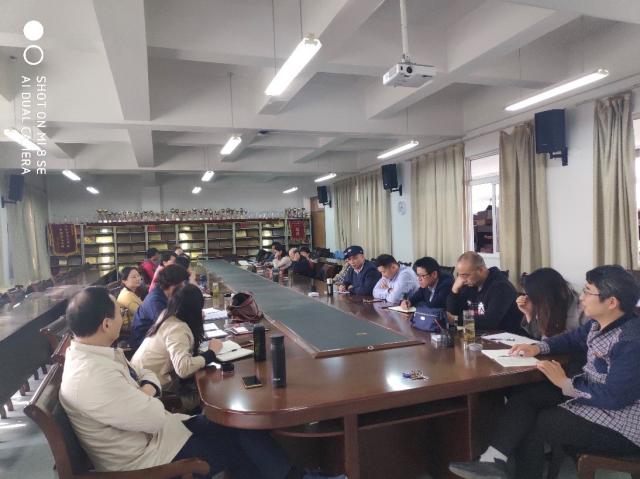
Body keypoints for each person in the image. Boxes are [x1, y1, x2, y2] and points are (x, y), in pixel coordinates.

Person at [59, 286, 296, 478]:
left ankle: (292, 474)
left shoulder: (94, 355)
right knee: (241, 446)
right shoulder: (91, 376)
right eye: (119, 312)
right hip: (149, 460)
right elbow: (153, 418)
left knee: (238, 424)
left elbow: (144, 372)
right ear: (106, 324)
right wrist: (147, 393)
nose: (123, 316)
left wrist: (145, 391)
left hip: (162, 435)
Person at [449, 265, 640, 479]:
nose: (582, 297)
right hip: (591, 395)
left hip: (621, 422)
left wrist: (565, 383)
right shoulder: (598, 324)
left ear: (612, 302)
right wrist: (539, 347)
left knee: (536, 423)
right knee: (526, 397)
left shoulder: (630, 340)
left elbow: (614, 397)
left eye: (588, 292)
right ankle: (491, 460)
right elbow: (571, 339)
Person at [132, 284, 222, 413]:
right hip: (157, 390)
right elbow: (183, 369)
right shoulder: (177, 328)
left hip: (143, 381)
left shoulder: (167, 315)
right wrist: (210, 354)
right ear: (194, 309)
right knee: (211, 393)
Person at [446, 251, 522, 333]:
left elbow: (490, 322)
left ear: (481, 270)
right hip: (479, 335)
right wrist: (454, 291)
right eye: (459, 275)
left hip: (507, 336)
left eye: (465, 275)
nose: (462, 279)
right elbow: (453, 311)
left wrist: (456, 320)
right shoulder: (470, 284)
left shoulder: (501, 287)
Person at [517, 267, 586, 340]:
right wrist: (528, 313)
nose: (528, 298)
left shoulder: (581, 309)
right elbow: (539, 336)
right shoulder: (545, 304)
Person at [131, 265, 190, 349]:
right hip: (143, 342)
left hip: (155, 335)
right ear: (172, 284)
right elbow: (168, 325)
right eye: (182, 285)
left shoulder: (166, 293)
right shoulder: (155, 300)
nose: (184, 288)